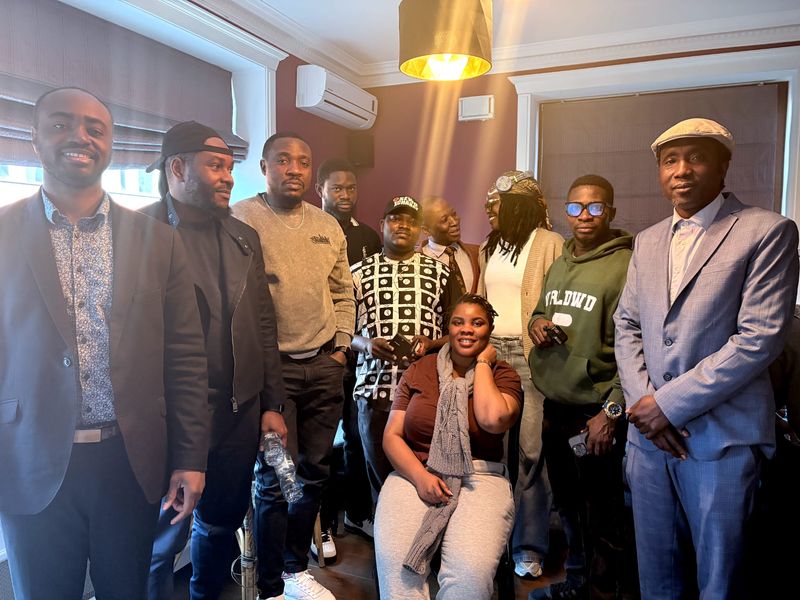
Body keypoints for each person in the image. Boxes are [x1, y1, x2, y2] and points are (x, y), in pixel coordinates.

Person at [0, 87, 208, 600]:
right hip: (28, 461)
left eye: (95, 128)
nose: (80, 137)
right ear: (34, 138)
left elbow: (185, 357)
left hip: (129, 463)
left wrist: (190, 457)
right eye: (61, 124)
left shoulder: (159, 241)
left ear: (111, 143)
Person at [614, 117, 799, 599]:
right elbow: (626, 325)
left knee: (721, 582)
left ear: (722, 166)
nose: (681, 170)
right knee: (657, 578)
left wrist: (667, 405)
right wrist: (645, 405)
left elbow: (759, 338)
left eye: (696, 157)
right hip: (649, 444)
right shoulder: (647, 240)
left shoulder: (767, 231)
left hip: (722, 441)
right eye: (670, 160)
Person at [142, 121, 287, 600]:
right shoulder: (139, 234)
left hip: (238, 411)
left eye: (229, 167)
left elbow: (263, 324)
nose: (228, 177)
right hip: (168, 416)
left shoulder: (244, 237)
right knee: (160, 541)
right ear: (177, 168)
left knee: (221, 523)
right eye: (216, 166)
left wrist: (272, 404)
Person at [232, 132, 355, 600]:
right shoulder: (240, 218)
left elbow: (343, 292)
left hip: (323, 368)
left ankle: (293, 569)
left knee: (314, 473)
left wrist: (341, 347)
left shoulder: (328, 225)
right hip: (272, 377)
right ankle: (270, 589)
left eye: (303, 161)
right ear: (264, 167)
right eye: (283, 160)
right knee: (276, 481)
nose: (295, 169)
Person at [528, 175, 638, 600]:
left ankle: (602, 592)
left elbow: (637, 346)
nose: (585, 216)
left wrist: (611, 413)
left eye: (595, 207)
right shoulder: (561, 260)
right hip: (555, 405)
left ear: (611, 212)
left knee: (603, 513)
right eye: (575, 207)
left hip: (596, 413)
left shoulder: (626, 265)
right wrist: (538, 323)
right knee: (569, 506)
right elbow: (540, 309)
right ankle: (576, 583)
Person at [375, 294, 522, 599]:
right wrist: (420, 478)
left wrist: (483, 364)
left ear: (489, 330)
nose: (467, 329)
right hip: (415, 470)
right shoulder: (420, 369)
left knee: (470, 576)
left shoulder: (503, 374)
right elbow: (391, 436)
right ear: (448, 329)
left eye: (477, 323)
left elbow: (493, 419)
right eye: (458, 322)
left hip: (480, 476)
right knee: (397, 568)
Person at [478, 171, 564, 578]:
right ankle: (489, 539)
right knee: (490, 449)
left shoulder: (549, 242)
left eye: (496, 202)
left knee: (531, 451)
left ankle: (529, 544)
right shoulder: (489, 245)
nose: (488, 209)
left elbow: (558, 300)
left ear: (518, 205)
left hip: (531, 356)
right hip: (493, 353)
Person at [351, 196, 459, 503]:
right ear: (381, 224)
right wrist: (367, 344)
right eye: (396, 218)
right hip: (374, 390)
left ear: (421, 230)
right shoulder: (357, 272)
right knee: (380, 478)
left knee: (425, 474)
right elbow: (340, 330)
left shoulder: (441, 272)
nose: (403, 226)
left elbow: (458, 330)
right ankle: (385, 530)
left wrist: (431, 344)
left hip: (423, 393)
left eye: (412, 221)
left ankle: (422, 531)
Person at [315, 157, 381, 556]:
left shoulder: (369, 236)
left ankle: (357, 513)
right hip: (323, 352)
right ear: (320, 190)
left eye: (351, 188)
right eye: (337, 188)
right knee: (322, 443)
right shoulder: (311, 230)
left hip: (362, 355)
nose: (345, 195)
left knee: (357, 437)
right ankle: (320, 525)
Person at [420, 195, 480, 294]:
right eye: (444, 220)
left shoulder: (477, 254)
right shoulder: (414, 262)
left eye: (454, 214)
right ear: (426, 230)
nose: (454, 222)